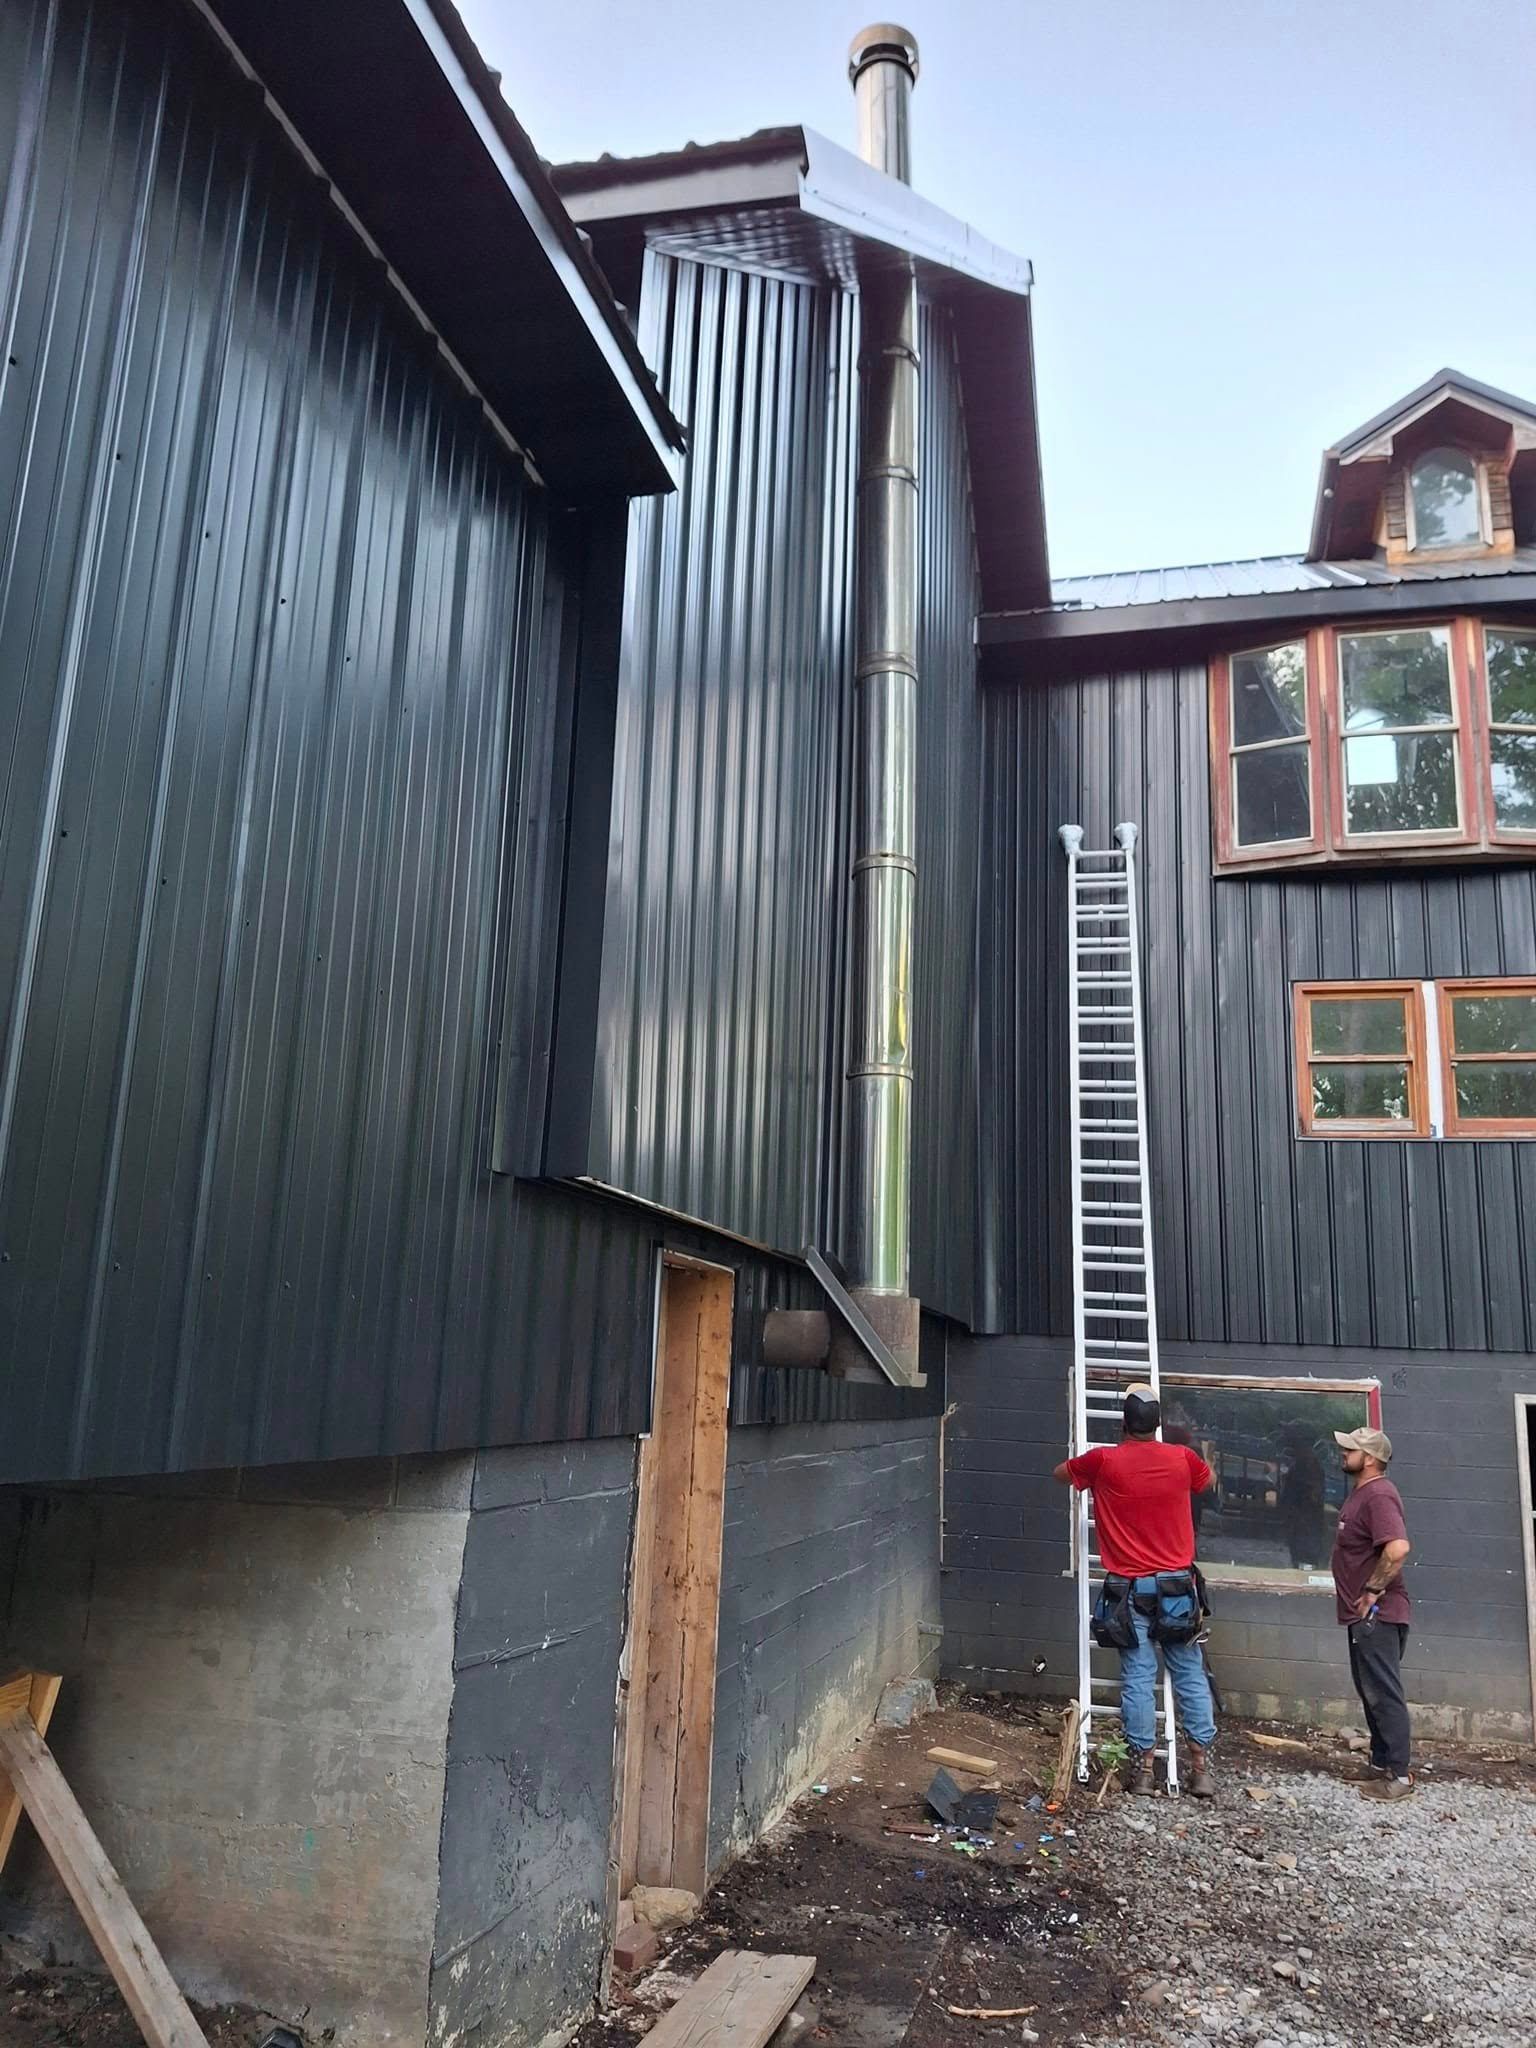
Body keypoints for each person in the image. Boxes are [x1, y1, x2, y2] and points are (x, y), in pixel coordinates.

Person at [1054, 1385, 1219, 1797]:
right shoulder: (1182, 1459)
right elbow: (1208, 1480)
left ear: (1123, 1423)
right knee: (1189, 1674)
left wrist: (1093, 1474)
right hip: (1178, 1587)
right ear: (1158, 1424)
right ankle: (1200, 1769)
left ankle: (1144, 1771)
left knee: (1138, 1678)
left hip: (1128, 1590)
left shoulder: (1103, 1461)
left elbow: (1060, 1474)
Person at [1331, 1426, 1414, 1801]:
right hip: (1362, 1615)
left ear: (1369, 1458)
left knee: (1383, 1692)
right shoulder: (1361, 1494)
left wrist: (1371, 1591)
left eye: (1350, 1448)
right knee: (1369, 1690)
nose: (1343, 1452)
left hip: (1378, 1613)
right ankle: (1380, 1765)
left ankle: (1399, 1775)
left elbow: (1396, 1549)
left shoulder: (1379, 1494)